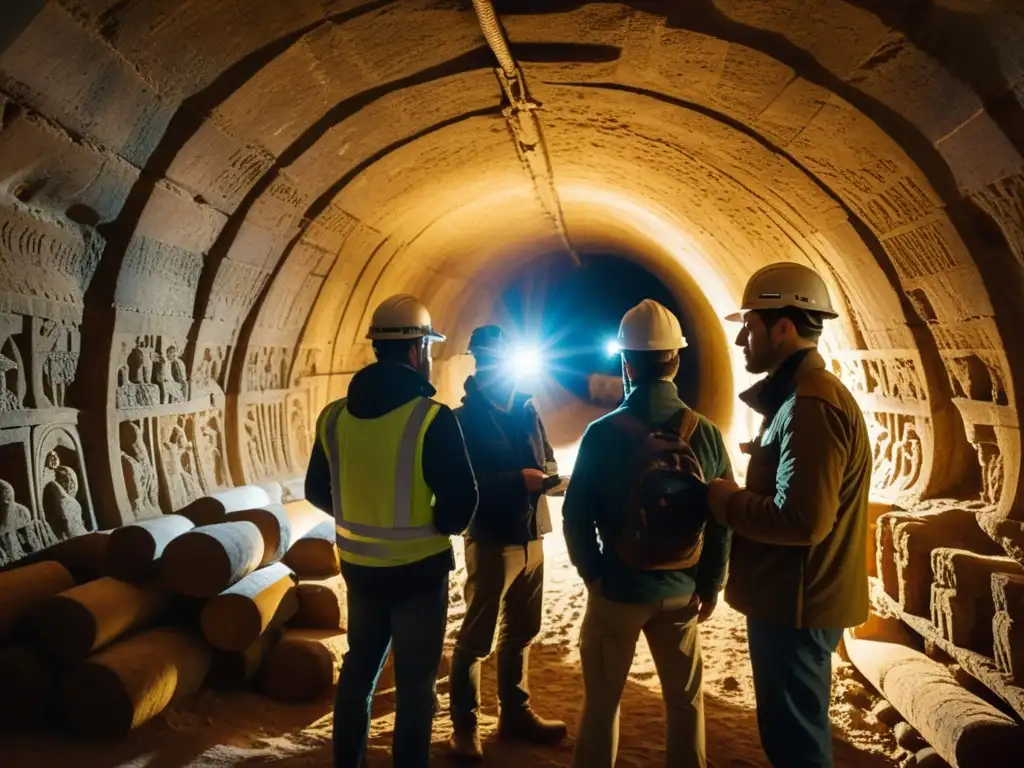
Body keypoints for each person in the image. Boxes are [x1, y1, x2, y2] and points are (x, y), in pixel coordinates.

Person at [706, 262, 871, 768]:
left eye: (749, 326)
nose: (740, 341)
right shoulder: (799, 400)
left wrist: (725, 498)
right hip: (795, 596)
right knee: (789, 733)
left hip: (797, 601)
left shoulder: (810, 406)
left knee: (795, 742)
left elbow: (802, 521)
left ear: (784, 325)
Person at [304, 294, 479, 768]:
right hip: (419, 575)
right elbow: (462, 504)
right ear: (417, 350)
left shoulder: (334, 416)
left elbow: (317, 489)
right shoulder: (430, 419)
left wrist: (365, 520)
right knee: (416, 687)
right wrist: (431, 524)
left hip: (360, 572)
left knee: (358, 673)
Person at [563, 300, 733, 768]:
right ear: (675, 361)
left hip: (618, 589)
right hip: (681, 592)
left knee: (602, 704)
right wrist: (710, 584)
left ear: (626, 362)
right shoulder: (706, 434)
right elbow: (721, 518)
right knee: (685, 703)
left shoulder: (601, 433)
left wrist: (593, 575)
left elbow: (576, 514)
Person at [448, 325, 567, 760]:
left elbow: (548, 455)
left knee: (521, 631)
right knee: (476, 638)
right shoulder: (463, 421)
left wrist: (549, 478)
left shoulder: (526, 410)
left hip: (532, 533)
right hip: (492, 537)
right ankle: (465, 726)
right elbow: (463, 484)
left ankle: (515, 713)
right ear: (481, 363)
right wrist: (518, 480)